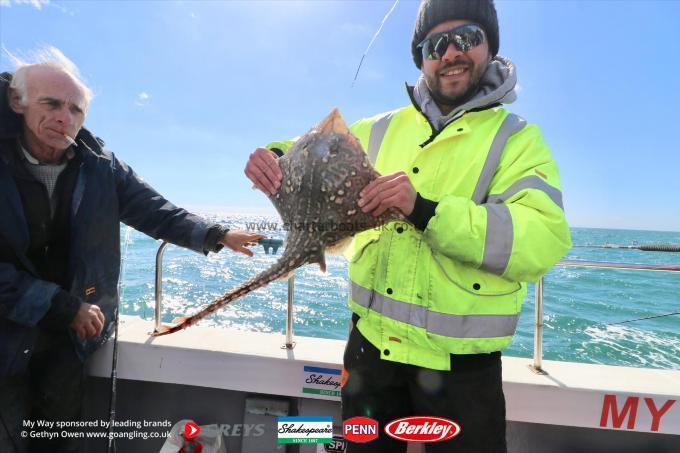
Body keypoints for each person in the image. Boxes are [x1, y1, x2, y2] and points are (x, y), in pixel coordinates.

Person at [245, 0, 571, 451]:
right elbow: (314, 148)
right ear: (421, 56)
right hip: (370, 353)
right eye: (436, 43)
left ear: (491, 47)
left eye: (469, 38)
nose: (451, 52)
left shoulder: (516, 139)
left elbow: (542, 237)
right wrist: (275, 157)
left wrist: (427, 211)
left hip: (461, 368)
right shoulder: (380, 128)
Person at [0, 48, 263, 453]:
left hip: (70, 337)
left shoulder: (100, 165)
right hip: (10, 331)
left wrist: (217, 234)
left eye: (75, 109)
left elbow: (153, 209)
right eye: (50, 104)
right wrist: (62, 306)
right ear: (17, 102)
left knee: (57, 442)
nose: (64, 118)